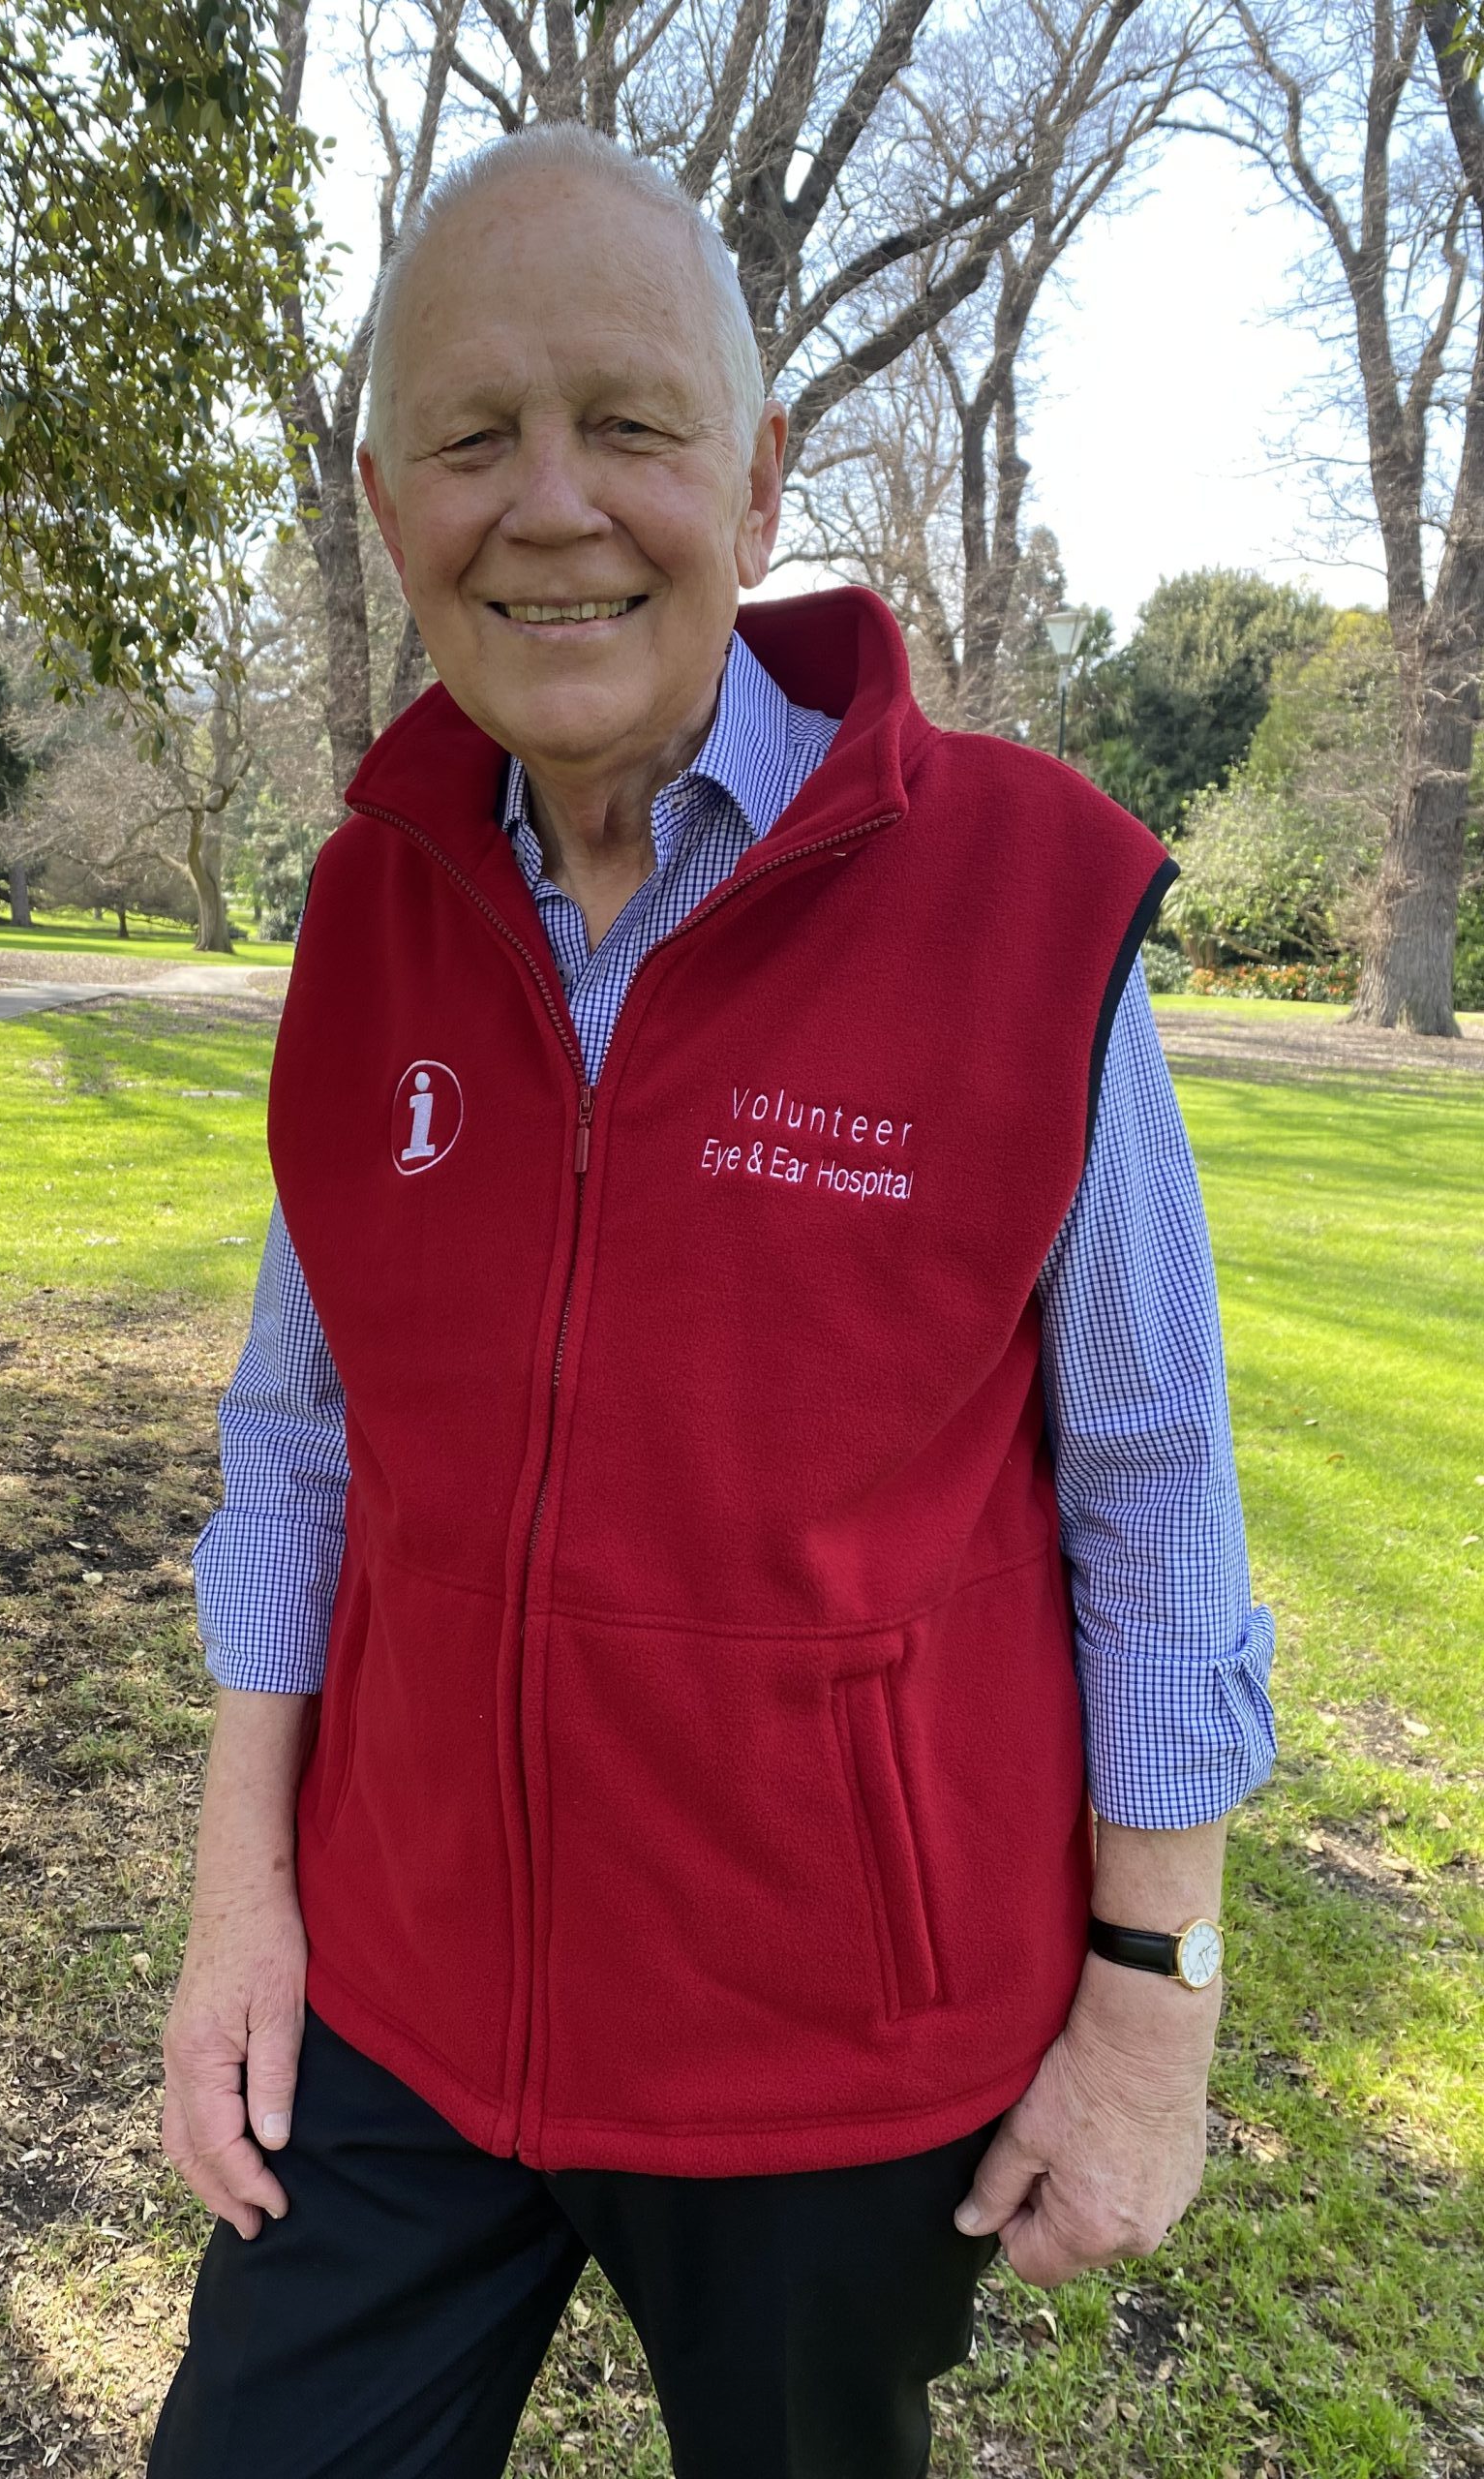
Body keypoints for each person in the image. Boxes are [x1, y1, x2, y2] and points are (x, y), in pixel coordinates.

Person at [149, 124, 1276, 2479]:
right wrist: (242, 1897)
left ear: (759, 485)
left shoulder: (1022, 902)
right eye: (473, 437)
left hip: (835, 2061)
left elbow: (1156, 1475)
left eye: (630, 425)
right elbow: (301, 1428)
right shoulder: (366, 910)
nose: (549, 503)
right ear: (388, 507)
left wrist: (1151, 1998)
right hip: (401, 2000)